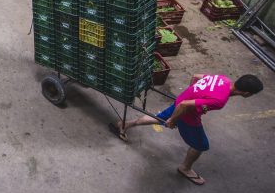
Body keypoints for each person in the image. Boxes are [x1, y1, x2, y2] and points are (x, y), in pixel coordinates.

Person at [112, 73, 263, 186]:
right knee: (201, 145)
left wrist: (192, 94)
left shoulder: (222, 79)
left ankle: (125, 124)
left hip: (181, 102)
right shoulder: (219, 100)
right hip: (186, 114)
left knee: (159, 118)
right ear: (247, 94)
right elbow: (185, 106)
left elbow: (196, 76)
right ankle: (185, 168)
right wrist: (173, 120)